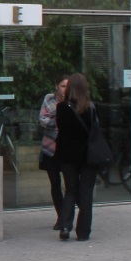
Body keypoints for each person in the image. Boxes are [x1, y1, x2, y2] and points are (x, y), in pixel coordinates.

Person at [54, 72, 100, 241]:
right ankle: (83, 232)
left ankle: (65, 226)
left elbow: (61, 130)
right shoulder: (91, 107)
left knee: (70, 190)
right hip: (88, 156)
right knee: (86, 193)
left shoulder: (61, 108)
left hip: (68, 155)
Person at [38, 74, 70, 230]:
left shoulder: (73, 100)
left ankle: (66, 216)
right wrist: (57, 121)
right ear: (56, 85)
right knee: (55, 183)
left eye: (67, 86)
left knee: (69, 183)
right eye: (63, 86)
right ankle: (60, 217)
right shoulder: (49, 99)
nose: (65, 89)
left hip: (67, 148)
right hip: (51, 147)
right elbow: (42, 119)